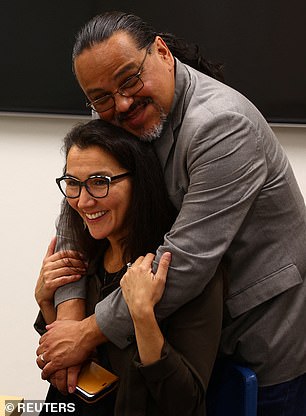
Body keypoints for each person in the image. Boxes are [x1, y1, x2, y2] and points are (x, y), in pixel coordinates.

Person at [36, 11, 306, 415]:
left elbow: (185, 262)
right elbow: (74, 206)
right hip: (172, 336)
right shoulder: (116, 106)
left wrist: (86, 333)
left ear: (161, 52)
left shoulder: (222, 125)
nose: (122, 103)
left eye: (129, 80)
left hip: (255, 340)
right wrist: (68, 310)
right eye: (101, 98)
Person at [35, 119, 223, 415]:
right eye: (73, 183)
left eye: (100, 182)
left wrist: (143, 318)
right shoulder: (86, 257)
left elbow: (185, 404)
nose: (83, 201)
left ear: (140, 182)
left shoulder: (177, 271)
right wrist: (47, 302)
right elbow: (68, 364)